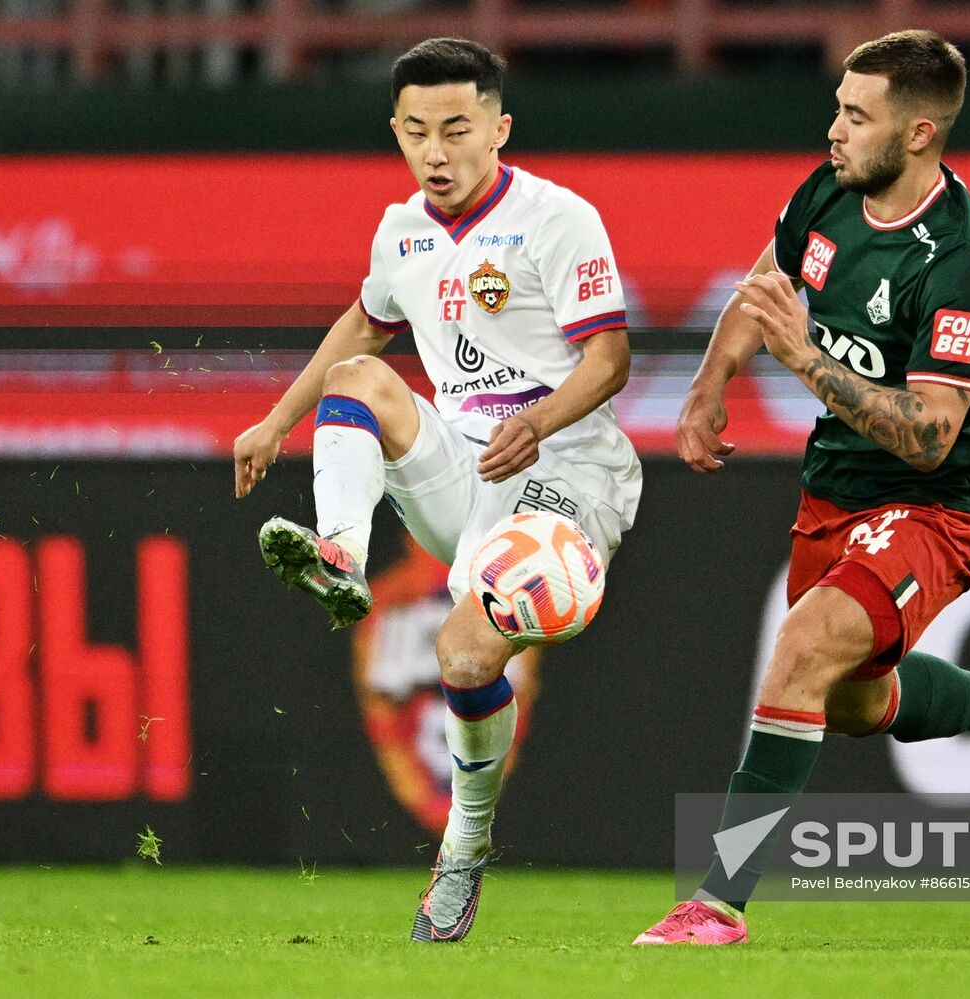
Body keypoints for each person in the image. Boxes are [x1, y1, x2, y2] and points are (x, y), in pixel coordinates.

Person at [635, 29, 970, 947]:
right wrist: (709, 382)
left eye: (857, 115)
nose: (834, 130)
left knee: (803, 649)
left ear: (920, 132)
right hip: (835, 490)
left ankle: (717, 902)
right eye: (838, 108)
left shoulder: (963, 257)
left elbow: (933, 437)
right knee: (841, 697)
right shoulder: (827, 192)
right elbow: (764, 288)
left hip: (939, 507)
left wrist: (804, 361)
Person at [232, 37, 640, 944]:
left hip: (564, 473)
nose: (437, 151)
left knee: (463, 659)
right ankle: (340, 557)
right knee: (356, 378)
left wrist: (537, 421)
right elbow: (364, 324)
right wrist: (275, 422)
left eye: (457, 129)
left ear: (499, 127)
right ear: (396, 132)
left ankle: (462, 852)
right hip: (466, 466)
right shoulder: (400, 230)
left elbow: (610, 359)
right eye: (416, 131)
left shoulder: (557, 217)